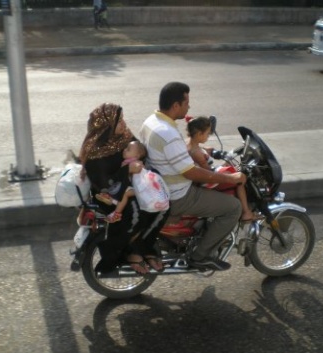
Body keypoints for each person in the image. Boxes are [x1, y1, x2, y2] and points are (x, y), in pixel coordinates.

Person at [140, 82, 246, 271]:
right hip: (178, 194)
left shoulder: (151, 121)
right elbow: (190, 172)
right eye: (186, 102)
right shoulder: (168, 133)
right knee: (233, 208)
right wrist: (231, 179)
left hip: (160, 185)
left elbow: (177, 155)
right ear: (175, 106)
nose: (189, 106)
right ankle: (200, 256)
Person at [79, 103, 168, 274]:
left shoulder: (123, 136)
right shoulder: (95, 152)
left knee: (163, 204)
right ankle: (112, 255)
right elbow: (104, 184)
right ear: (107, 126)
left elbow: (140, 152)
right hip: (108, 195)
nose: (124, 123)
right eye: (119, 121)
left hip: (131, 185)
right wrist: (126, 170)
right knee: (134, 213)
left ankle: (144, 247)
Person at [186, 116, 263, 222]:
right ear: (199, 134)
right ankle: (246, 212)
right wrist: (225, 169)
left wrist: (217, 153)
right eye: (207, 134)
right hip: (205, 179)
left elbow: (206, 150)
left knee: (230, 168)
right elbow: (208, 172)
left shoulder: (191, 145)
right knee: (240, 177)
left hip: (205, 175)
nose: (208, 136)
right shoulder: (197, 153)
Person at [95, 140, 147, 223]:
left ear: (136, 156)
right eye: (126, 148)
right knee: (120, 187)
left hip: (140, 188)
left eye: (128, 149)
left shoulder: (136, 163)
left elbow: (141, 171)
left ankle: (117, 214)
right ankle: (111, 198)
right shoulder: (127, 162)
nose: (125, 150)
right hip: (132, 185)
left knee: (125, 193)